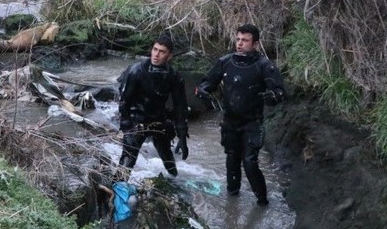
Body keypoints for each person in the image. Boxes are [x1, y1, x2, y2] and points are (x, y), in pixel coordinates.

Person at [196, 23, 286, 205]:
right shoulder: (225, 62)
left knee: (250, 162)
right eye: (238, 39)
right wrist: (203, 90)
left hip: (252, 122)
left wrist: (272, 96)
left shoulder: (264, 66)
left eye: (244, 40)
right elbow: (208, 82)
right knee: (232, 158)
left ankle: (262, 201)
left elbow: (280, 91)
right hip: (230, 121)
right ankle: (232, 199)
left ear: (255, 44)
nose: (239, 43)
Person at [117, 33, 189, 177]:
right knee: (128, 159)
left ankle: (175, 180)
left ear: (170, 56)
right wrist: (126, 127)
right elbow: (124, 101)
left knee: (167, 156)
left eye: (162, 52)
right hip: (136, 119)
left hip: (158, 120)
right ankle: (117, 189)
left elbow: (180, 106)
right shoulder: (136, 71)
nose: (156, 54)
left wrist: (182, 136)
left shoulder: (173, 76)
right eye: (155, 49)